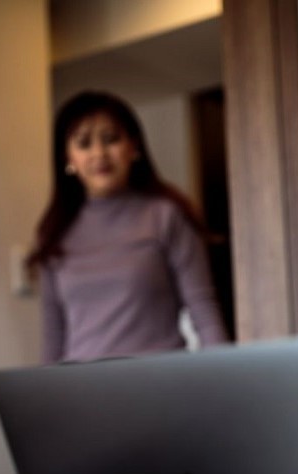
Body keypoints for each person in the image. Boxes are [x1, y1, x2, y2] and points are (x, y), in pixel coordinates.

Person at [27, 91, 229, 363]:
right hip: (79, 393)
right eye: (84, 143)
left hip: (158, 385)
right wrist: (43, 401)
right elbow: (53, 335)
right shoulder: (53, 231)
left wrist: (224, 382)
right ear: (68, 158)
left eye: (111, 139)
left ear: (134, 147)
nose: (99, 153)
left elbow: (203, 309)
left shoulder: (166, 216)